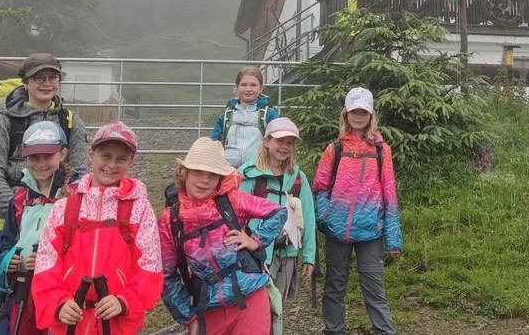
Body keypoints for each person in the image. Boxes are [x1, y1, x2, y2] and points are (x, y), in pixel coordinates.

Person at [0, 53, 88, 335]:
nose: (46, 83)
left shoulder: (71, 121)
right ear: (25, 81)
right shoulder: (4, 119)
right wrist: (21, 209)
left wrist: (55, 214)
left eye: (52, 77)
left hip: (55, 223)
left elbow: (81, 173)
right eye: (38, 77)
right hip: (1, 220)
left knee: (51, 297)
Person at [31, 122, 162, 335]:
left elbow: (150, 267)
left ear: (131, 161)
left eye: (121, 159)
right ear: (91, 154)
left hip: (118, 324)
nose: (112, 164)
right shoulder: (65, 208)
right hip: (70, 323)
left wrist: (124, 301)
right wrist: (59, 303)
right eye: (105, 155)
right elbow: (45, 265)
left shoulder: (139, 208)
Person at [160, 137, 288, 335]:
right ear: (184, 173)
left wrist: (255, 241)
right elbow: (167, 276)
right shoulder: (171, 219)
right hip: (206, 306)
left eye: (212, 174)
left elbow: (278, 211)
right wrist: (189, 317)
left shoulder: (231, 200)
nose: (204, 179)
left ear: (220, 179)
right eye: (197, 171)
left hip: (249, 295)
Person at [313, 87, 402, 335]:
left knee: (374, 288)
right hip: (337, 231)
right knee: (334, 287)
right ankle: (333, 330)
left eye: (363, 111)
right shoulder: (335, 149)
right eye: (354, 111)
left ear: (371, 114)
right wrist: (325, 217)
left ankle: (385, 331)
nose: (359, 116)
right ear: (346, 114)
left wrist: (393, 238)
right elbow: (320, 187)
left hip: (371, 232)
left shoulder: (382, 150)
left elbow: (390, 194)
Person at [0, 121, 74, 335]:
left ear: (62, 154)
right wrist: (10, 261)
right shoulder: (19, 198)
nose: (40, 163)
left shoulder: (74, 196)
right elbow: (5, 245)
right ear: (25, 157)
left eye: (48, 156)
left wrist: (49, 261)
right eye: (34, 157)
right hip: (23, 290)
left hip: (63, 292)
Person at [238, 117, 316, 335]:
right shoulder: (249, 175)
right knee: (257, 307)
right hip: (255, 255)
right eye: (280, 141)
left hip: (286, 254)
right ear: (266, 141)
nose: (284, 147)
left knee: (277, 305)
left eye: (290, 143)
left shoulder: (298, 178)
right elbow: (236, 216)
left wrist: (309, 256)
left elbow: (308, 217)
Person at [210, 66, 278, 168]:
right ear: (237, 87)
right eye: (243, 85)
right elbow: (214, 142)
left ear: (261, 88)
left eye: (253, 85)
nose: (248, 89)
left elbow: (278, 142)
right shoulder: (226, 116)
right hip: (229, 169)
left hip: (258, 170)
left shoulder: (269, 115)